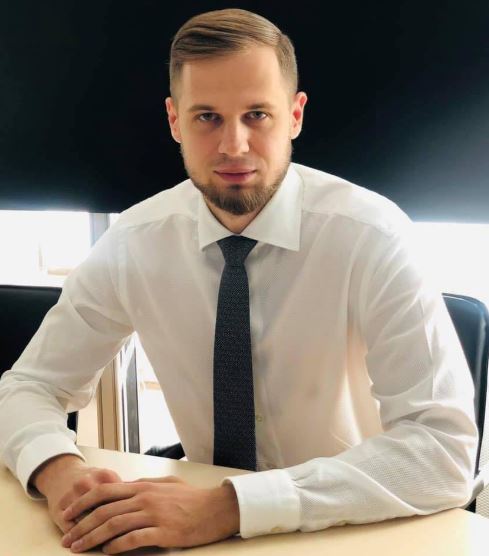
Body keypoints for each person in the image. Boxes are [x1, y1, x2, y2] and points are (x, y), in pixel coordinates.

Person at [0, 7, 478, 554]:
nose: (233, 145)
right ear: (174, 120)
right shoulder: (135, 241)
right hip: (202, 537)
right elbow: (28, 387)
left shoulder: (373, 237)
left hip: (354, 529)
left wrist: (230, 506)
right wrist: (60, 471)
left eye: (257, 115)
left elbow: (443, 451)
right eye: (207, 117)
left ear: (294, 116)